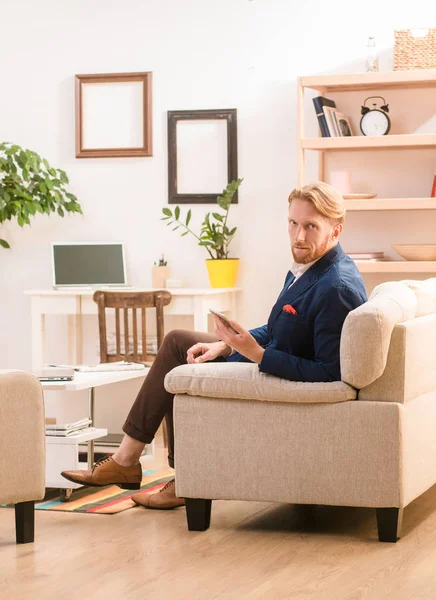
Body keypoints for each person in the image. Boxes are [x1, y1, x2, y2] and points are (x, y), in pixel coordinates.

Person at [61, 182, 367, 509]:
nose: (299, 236)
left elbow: (329, 373)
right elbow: (283, 327)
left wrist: (257, 354)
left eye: (311, 227)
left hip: (280, 376)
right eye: (293, 223)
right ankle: (136, 461)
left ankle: (174, 476)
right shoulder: (308, 265)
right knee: (180, 342)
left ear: (335, 230)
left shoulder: (336, 287)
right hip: (267, 357)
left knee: (184, 367)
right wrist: (225, 345)